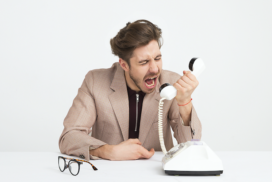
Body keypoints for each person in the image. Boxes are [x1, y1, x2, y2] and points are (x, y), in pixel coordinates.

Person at [59, 19, 202, 161]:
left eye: (157, 58)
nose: (154, 69)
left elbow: (191, 145)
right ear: (124, 65)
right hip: (107, 173)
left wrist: (184, 103)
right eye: (144, 62)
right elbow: (69, 136)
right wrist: (108, 151)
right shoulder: (95, 81)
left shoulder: (171, 83)